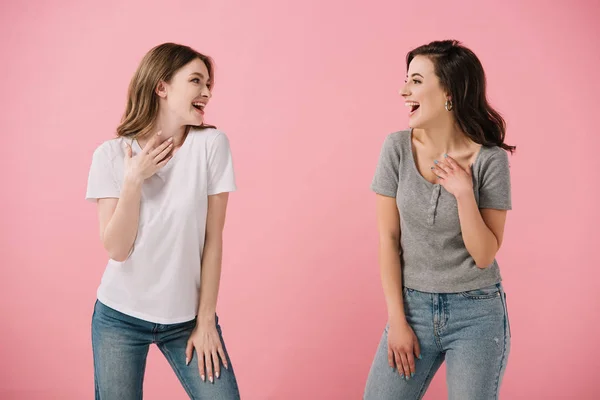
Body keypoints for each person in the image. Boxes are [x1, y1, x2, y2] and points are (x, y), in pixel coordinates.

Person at [85, 42, 241, 399]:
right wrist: (133, 179)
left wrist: (205, 321)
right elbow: (117, 249)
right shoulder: (111, 156)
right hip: (119, 318)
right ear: (162, 87)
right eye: (196, 81)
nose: (207, 92)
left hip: (186, 320)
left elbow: (213, 240)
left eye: (208, 84)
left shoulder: (211, 146)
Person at [364, 40, 514, 400]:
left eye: (415, 81)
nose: (404, 91)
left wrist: (464, 193)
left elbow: (483, 255)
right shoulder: (396, 148)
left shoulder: (490, 160)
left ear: (448, 90)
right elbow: (388, 239)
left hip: (476, 313)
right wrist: (397, 320)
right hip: (411, 307)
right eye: (406, 80)